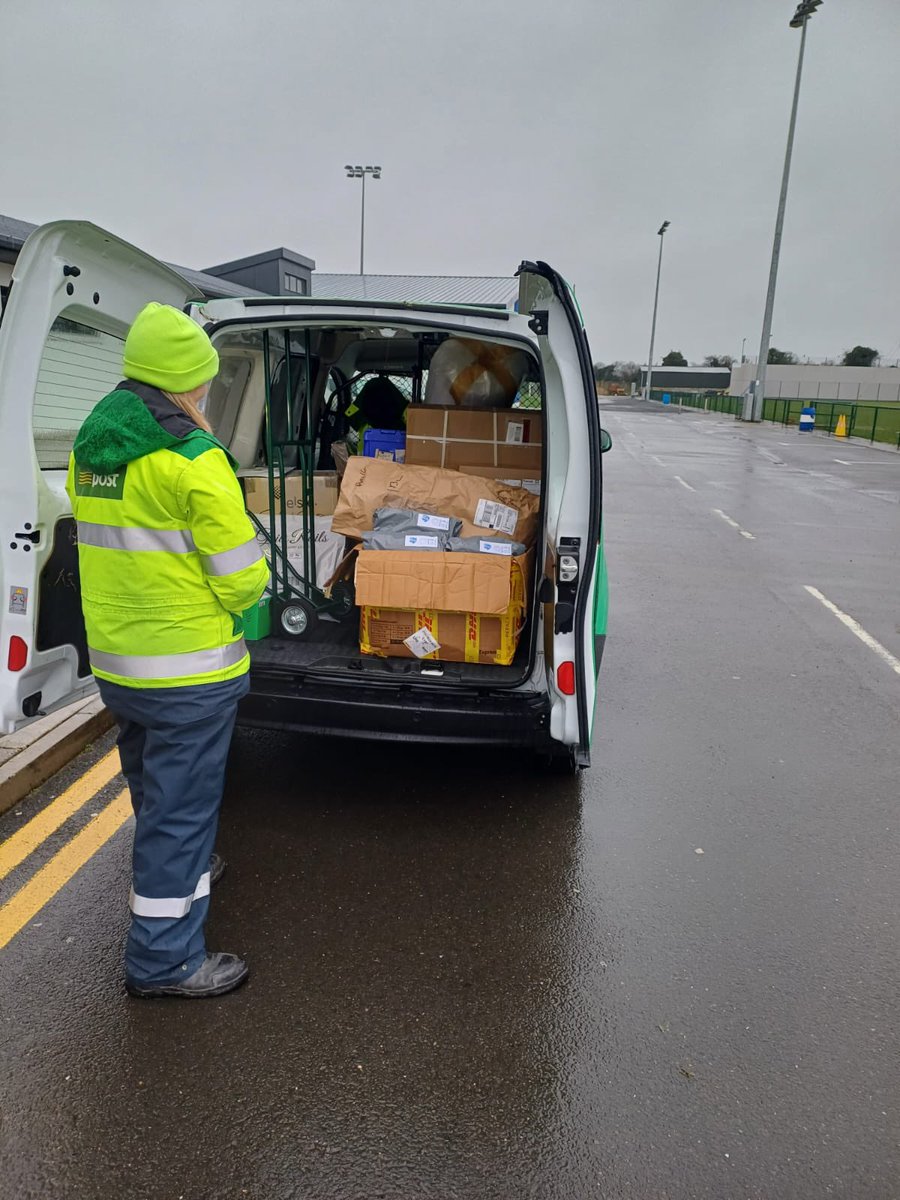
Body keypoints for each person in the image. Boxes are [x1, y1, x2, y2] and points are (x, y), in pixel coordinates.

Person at [66, 302, 268, 999]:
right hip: (190, 671)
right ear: (187, 382)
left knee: (155, 790)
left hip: (121, 665)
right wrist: (255, 600)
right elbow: (240, 573)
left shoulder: (89, 448)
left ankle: (182, 869)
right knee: (180, 811)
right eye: (206, 382)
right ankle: (164, 961)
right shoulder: (194, 460)